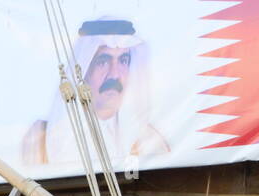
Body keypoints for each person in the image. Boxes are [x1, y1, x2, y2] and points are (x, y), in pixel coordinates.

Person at [22, 15, 169, 168]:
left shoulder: (148, 140)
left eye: (123, 61)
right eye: (103, 61)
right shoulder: (41, 138)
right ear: (83, 70)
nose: (114, 74)